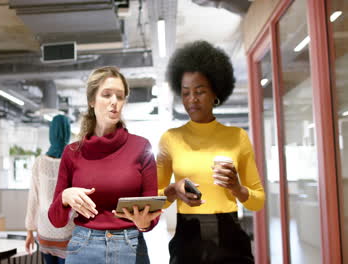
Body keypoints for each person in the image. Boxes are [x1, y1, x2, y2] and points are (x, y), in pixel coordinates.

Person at [157, 41, 265, 264]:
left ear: (216, 91)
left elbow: (257, 201)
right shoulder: (170, 138)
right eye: (186, 93)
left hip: (231, 240)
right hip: (188, 239)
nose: (192, 99)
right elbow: (156, 199)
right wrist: (174, 190)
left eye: (200, 91)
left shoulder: (237, 137)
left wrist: (236, 187)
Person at [48, 66, 162, 264]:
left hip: (130, 245)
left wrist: (145, 222)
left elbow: (151, 214)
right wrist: (65, 197)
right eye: (106, 95)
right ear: (92, 101)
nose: (114, 102)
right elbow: (56, 219)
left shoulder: (141, 147)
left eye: (120, 96)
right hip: (83, 247)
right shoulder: (72, 152)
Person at [25, 114, 74, 264]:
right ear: (67, 132)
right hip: (68, 231)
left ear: (51, 133)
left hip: (45, 231)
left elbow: (33, 198)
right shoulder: (74, 160)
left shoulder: (39, 162)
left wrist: (29, 232)